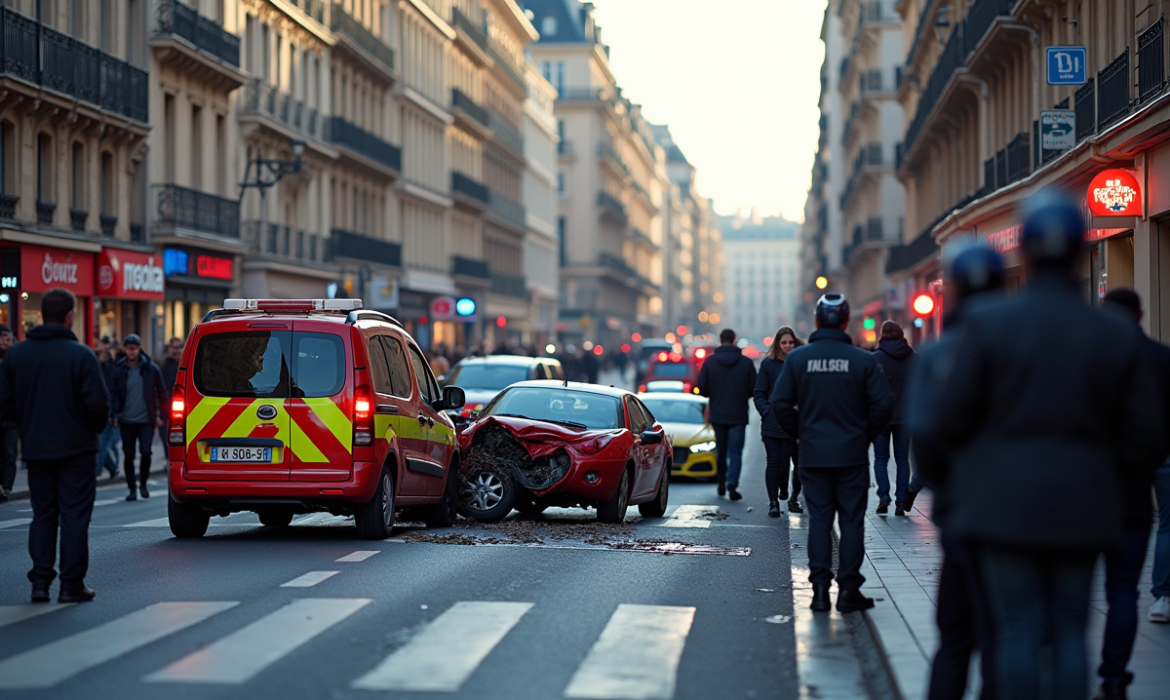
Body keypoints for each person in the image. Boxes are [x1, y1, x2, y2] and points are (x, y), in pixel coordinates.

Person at [928, 193, 1166, 700]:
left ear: (1026, 253)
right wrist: (1105, 474)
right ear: (1081, 255)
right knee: (1068, 630)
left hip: (1003, 506)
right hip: (1084, 504)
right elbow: (1146, 432)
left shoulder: (989, 326)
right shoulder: (1114, 333)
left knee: (1018, 628)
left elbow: (950, 421)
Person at [908, 242, 1007, 700]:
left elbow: (924, 444)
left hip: (965, 518)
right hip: (1018, 520)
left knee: (954, 641)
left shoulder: (938, 354)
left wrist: (947, 493)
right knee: (1006, 639)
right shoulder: (1021, 347)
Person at [771, 294, 893, 612]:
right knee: (852, 522)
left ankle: (820, 592)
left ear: (816, 322)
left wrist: (800, 433)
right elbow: (883, 404)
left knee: (820, 521)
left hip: (813, 454)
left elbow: (780, 403)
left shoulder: (799, 359)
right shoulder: (864, 360)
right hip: (851, 454)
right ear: (844, 322)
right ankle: (849, 590)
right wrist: (864, 434)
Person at [0, 288, 109, 603]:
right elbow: (99, 404)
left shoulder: (16, 355)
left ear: (43, 315)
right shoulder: (81, 355)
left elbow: (4, 402)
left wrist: (27, 426)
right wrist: (92, 430)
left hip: (36, 448)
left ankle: (40, 582)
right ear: (69, 316)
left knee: (43, 514)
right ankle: (71, 584)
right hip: (77, 448)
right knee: (74, 516)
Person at [1090, 288, 1170, 700]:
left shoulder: (1083, 357)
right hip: (1135, 492)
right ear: (1140, 314)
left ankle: (1068, 666)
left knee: (1076, 589)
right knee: (1123, 590)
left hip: (1085, 495)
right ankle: (1115, 676)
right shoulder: (1160, 357)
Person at [697, 328, 757, 501]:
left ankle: (721, 482)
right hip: (738, 414)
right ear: (734, 340)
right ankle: (732, 482)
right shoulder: (746, 363)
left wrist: (714, 394)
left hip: (718, 413)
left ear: (720, 340)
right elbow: (754, 388)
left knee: (721, 451)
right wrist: (741, 394)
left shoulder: (710, 362)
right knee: (736, 451)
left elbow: (702, 387)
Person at [110, 334, 168, 501]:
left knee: (146, 452)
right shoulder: (119, 370)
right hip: (126, 420)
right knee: (128, 455)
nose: (132, 352)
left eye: (134, 349)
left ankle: (142, 484)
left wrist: (163, 415)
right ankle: (132, 489)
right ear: (124, 349)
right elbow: (113, 394)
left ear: (139, 348)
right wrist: (113, 415)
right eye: (129, 349)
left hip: (146, 421)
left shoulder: (151, 369)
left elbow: (162, 393)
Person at [753, 326, 804, 517]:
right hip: (772, 423)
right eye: (784, 343)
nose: (788, 346)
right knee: (774, 463)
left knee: (797, 464)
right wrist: (766, 412)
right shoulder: (768, 364)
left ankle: (793, 498)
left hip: (796, 422)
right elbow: (759, 392)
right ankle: (773, 501)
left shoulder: (801, 363)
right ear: (778, 344)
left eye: (791, 342)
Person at [871, 320, 916, 516]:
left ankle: (883, 496)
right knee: (902, 460)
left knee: (880, 458)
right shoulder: (915, 358)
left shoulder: (875, 359)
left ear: (882, 335)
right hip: (906, 415)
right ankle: (901, 500)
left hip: (881, 415)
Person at [96, 347, 120, 480]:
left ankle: (98, 471)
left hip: (109, 412)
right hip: (97, 412)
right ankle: (112, 468)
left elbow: (114, 391)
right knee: (101, 445)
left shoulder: (112, 369)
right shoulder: (94, 366)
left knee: (103, 445)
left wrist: (115, 413)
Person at [0, 324, 17, 501]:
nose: (6, 342)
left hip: (12, 416)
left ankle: (7, 486)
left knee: (10, 453)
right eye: (3, 338)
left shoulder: (14, 358)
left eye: (8, 338)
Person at [158, 337, 183, 447]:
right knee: (166, 438)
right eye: (174, 347)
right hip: (167, 409)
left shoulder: (185, 364)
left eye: (179, 347)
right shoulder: (163, 368)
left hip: (185, 409)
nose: (176, 351)